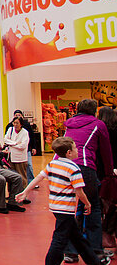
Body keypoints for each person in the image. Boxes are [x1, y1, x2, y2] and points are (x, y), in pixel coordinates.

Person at [16, 137, 102, 265]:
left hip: (55, 206)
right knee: (59, 239)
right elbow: (80, 192)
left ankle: (94, 261)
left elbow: (38, 178)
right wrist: (88, 204)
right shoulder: (74, 169)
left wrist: (26, 191)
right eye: (75, 148)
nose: (77, 150)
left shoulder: (53, 164)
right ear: (69, 153)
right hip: (66, 208)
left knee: (77, 238)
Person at [61, 99, 115, 264]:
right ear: (94, 111)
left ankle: (70, 252)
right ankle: (95, 251)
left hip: (64, 168)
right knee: (93, 208)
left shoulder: (69, 125)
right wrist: (108, 174)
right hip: (85, 168)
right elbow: (106, 151)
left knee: (72, 209)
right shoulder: (98, 124)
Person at [4, 115, 30, 185]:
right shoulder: (10, 130)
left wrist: (11, 145)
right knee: (11, 176)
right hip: (11, 157)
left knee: (22, 175)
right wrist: (15, 143)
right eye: (14, 123)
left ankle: (23, 192)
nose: (15, 125)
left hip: (20, 158)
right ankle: (12, 193)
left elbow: (23, 146)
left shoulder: (25, 132)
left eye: (17, 123)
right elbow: (6, 140)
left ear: (21, 124)